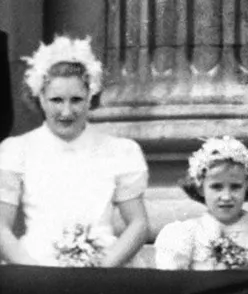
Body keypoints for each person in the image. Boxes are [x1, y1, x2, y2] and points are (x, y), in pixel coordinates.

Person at [0, 35, 148, 267]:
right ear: (40, 97)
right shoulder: (16, 151)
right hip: (37, 268)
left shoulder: (120, 151)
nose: (66, 112)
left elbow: (138, 223)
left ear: (91, 96)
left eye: (76, 100)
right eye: (56, 100)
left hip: (103, 267)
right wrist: (31, 270)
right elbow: (1, 227)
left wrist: (105, 266)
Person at [156, 136, 248, 270]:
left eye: (235, 187)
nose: (226, 196)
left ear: (247, 186)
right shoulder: (187, 233)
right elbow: (175, 284)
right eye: (216, 187)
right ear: (200, 188)